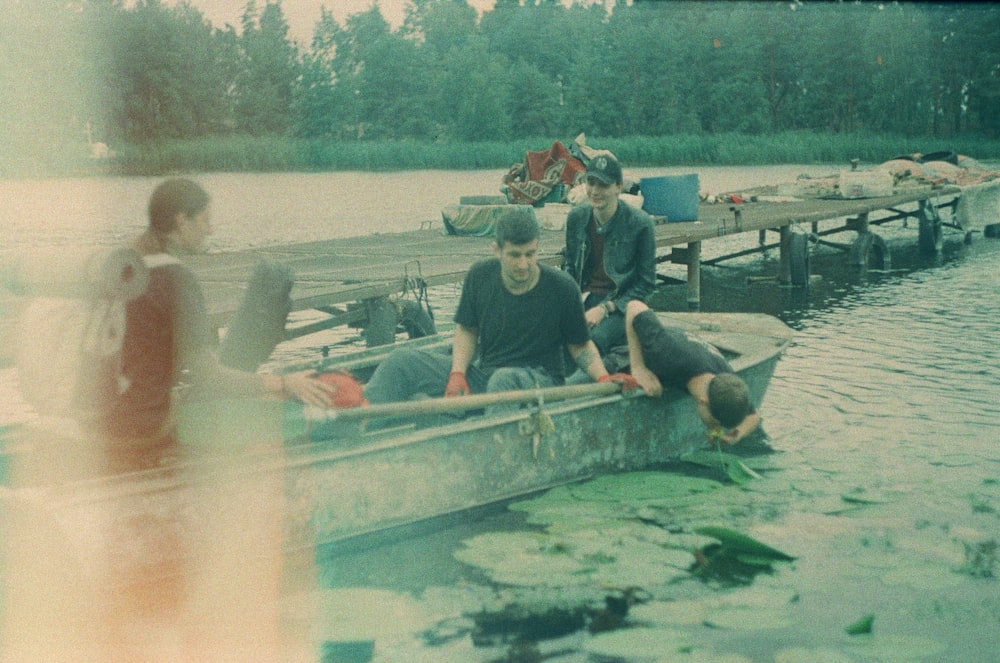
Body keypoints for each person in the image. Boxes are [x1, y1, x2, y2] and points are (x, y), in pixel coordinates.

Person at [363, 207, 635, 412]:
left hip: (539, 379)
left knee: (503, 381)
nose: (523, 264)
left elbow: (580, 346)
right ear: (497, 250)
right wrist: (457, 373)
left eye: (530, 254)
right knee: (400, 362)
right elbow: (467, 330)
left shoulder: (561, 288)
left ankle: (487, 446)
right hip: (486, 371)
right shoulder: (480, 276)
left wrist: (602, 377)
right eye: (514, 255)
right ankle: (358, 429)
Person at [621, 300, 760, 444]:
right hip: (630, 346)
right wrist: (638, 368)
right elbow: (634, 307)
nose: (717, 429)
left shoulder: (726, 382)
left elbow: (753, 416)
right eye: (716, 424)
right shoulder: (667, 352)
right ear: (703, 402)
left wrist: (737, 434)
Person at [563, 152, 657, 354]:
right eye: (591, 183)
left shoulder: (640, 224)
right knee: (549, 331)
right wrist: (567, 302)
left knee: (593, 340)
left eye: (603, 185)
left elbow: (646, 283)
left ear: (618, 187)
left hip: (623, 304)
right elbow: (570, 267)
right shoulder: (576, 218)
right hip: (585, 297)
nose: (595, 191)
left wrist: (606, 308)